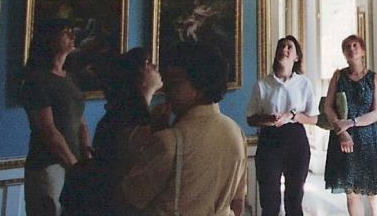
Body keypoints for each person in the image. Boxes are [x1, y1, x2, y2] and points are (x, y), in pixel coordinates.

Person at [121, 41, 247, 216]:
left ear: (201, 87)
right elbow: (238, 202)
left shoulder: (169, 141)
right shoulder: (236, 132)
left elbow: (129, 199)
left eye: (174, 83)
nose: (166, 89)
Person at [21, 18, 91, 216]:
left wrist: (86, 157)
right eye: (65, 32)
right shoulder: (37, 80)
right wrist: (74, 166)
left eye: (71, 31)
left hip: (74, 164)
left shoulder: (70, 77)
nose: (72, 36)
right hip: (48, 166)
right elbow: (48, 131)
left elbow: (80, 121)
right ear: (49, 39)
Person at [247, 36, 319, 216]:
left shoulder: (304, 84)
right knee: (269, 201)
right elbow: (250, 119)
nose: (284, 49)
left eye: (289, 47)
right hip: (269, 142)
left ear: (296, 57)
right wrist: (269, 119)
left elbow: (313, 118)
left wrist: (292, 115)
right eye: (281, 46)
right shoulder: (262, 84)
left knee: (294, 200)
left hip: (296, 141)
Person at [90, 47, 164, 214]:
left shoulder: (114, 118)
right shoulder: (131, 123)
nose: (154, 66)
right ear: (137, 78)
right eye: (147, 63)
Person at [324, 34, 377, 216]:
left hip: (368, 141)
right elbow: (328, 107)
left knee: (375, 194)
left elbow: (376, 113)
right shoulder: (338, 76)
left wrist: (351, 122)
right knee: (352, 194)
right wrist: (341, 131)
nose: (351, 49)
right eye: (347, 47)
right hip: (344, 140)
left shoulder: (374, 78)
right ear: (344, 53)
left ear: (363, 51)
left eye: (355, 45)